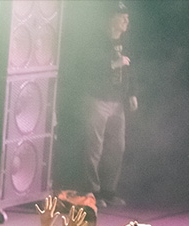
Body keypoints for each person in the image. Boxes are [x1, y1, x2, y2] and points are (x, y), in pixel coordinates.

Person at [81, 2, 136, 208]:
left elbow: (131, 67)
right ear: (111, 18)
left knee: (117, 147)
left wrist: (131, 93)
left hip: (117, 101)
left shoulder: (125, 41)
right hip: (98, 99)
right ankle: (92, 192)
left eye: (127, 17)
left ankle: (108, 191)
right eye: (122, 17)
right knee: (94, 148)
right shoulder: (97, 40)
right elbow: (87, 66)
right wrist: (114, 63)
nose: (126, 21)